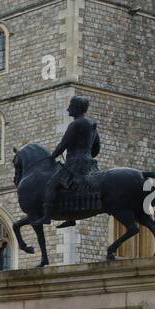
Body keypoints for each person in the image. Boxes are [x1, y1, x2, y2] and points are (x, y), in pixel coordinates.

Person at [43, 96, 101, 227]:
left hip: (75, 163)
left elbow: (63, 144)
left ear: (77, 108)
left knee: (51, 184)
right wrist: (87, 156)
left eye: (71, 106)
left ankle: (46, 217)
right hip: (89, 163)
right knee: (70, 188)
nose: (68, 109)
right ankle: (71, 217)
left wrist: (51, 157)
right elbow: (97, 147)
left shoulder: (75, 124)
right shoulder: (92, 125)